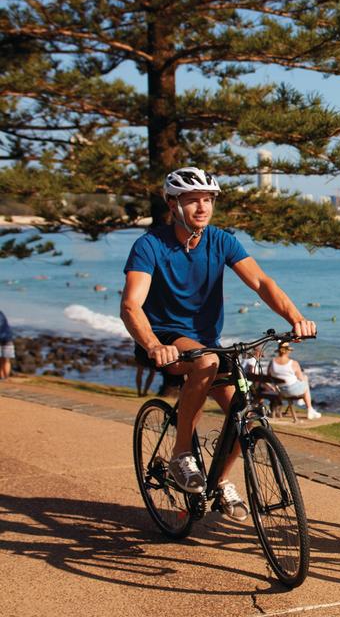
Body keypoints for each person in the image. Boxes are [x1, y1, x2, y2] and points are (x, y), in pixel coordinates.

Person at [120, 167, 316, 523]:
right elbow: (131, 305)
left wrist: (295, 317)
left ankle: (221, 482)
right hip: (163, 337)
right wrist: (151, 344)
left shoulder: (220, 241)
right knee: (207, 363)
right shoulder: (149, 245)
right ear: (172, 203)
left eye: (207, 200)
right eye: (192, 200)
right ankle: (182, 454)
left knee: (244, 414)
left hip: (206, 344)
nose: (202, 207)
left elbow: (261, 282)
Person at [267, 343, 320, 420]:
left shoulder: (272, 362)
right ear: (288, 351)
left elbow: (269, 376)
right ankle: (309, 409)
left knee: (303, 382)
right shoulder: (293, 363)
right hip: (292, 391)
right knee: (305, 379)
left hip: (280, 391)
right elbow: (301, 378)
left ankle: (304, 401)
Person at [0, 310, 13, 380]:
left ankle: (3, 377)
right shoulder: (1, 314)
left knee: (4, 360)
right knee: (6, 360)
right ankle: (5, 377)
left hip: (3, 338)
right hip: (8, 338)